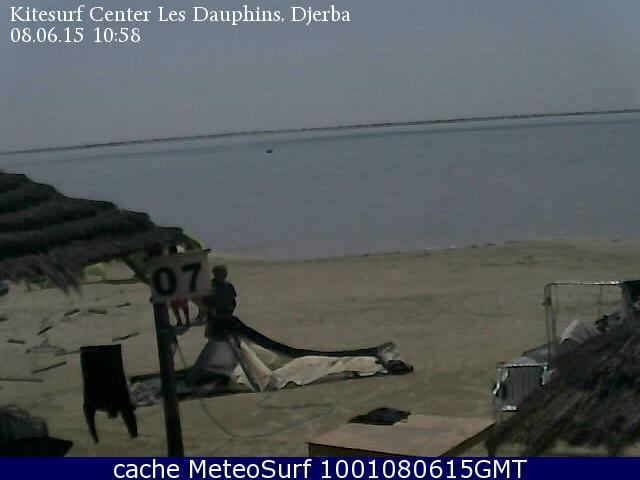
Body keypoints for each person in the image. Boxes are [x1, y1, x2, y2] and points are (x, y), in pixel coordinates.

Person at [203, 264, 237, 337]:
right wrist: (211, 310)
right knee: (213, 336)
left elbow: (233, 301)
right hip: (214, 316)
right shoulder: (209, 286)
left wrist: (230, 310)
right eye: (217, 273)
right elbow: (205, 301)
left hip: (226, 315)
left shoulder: (229, 285)